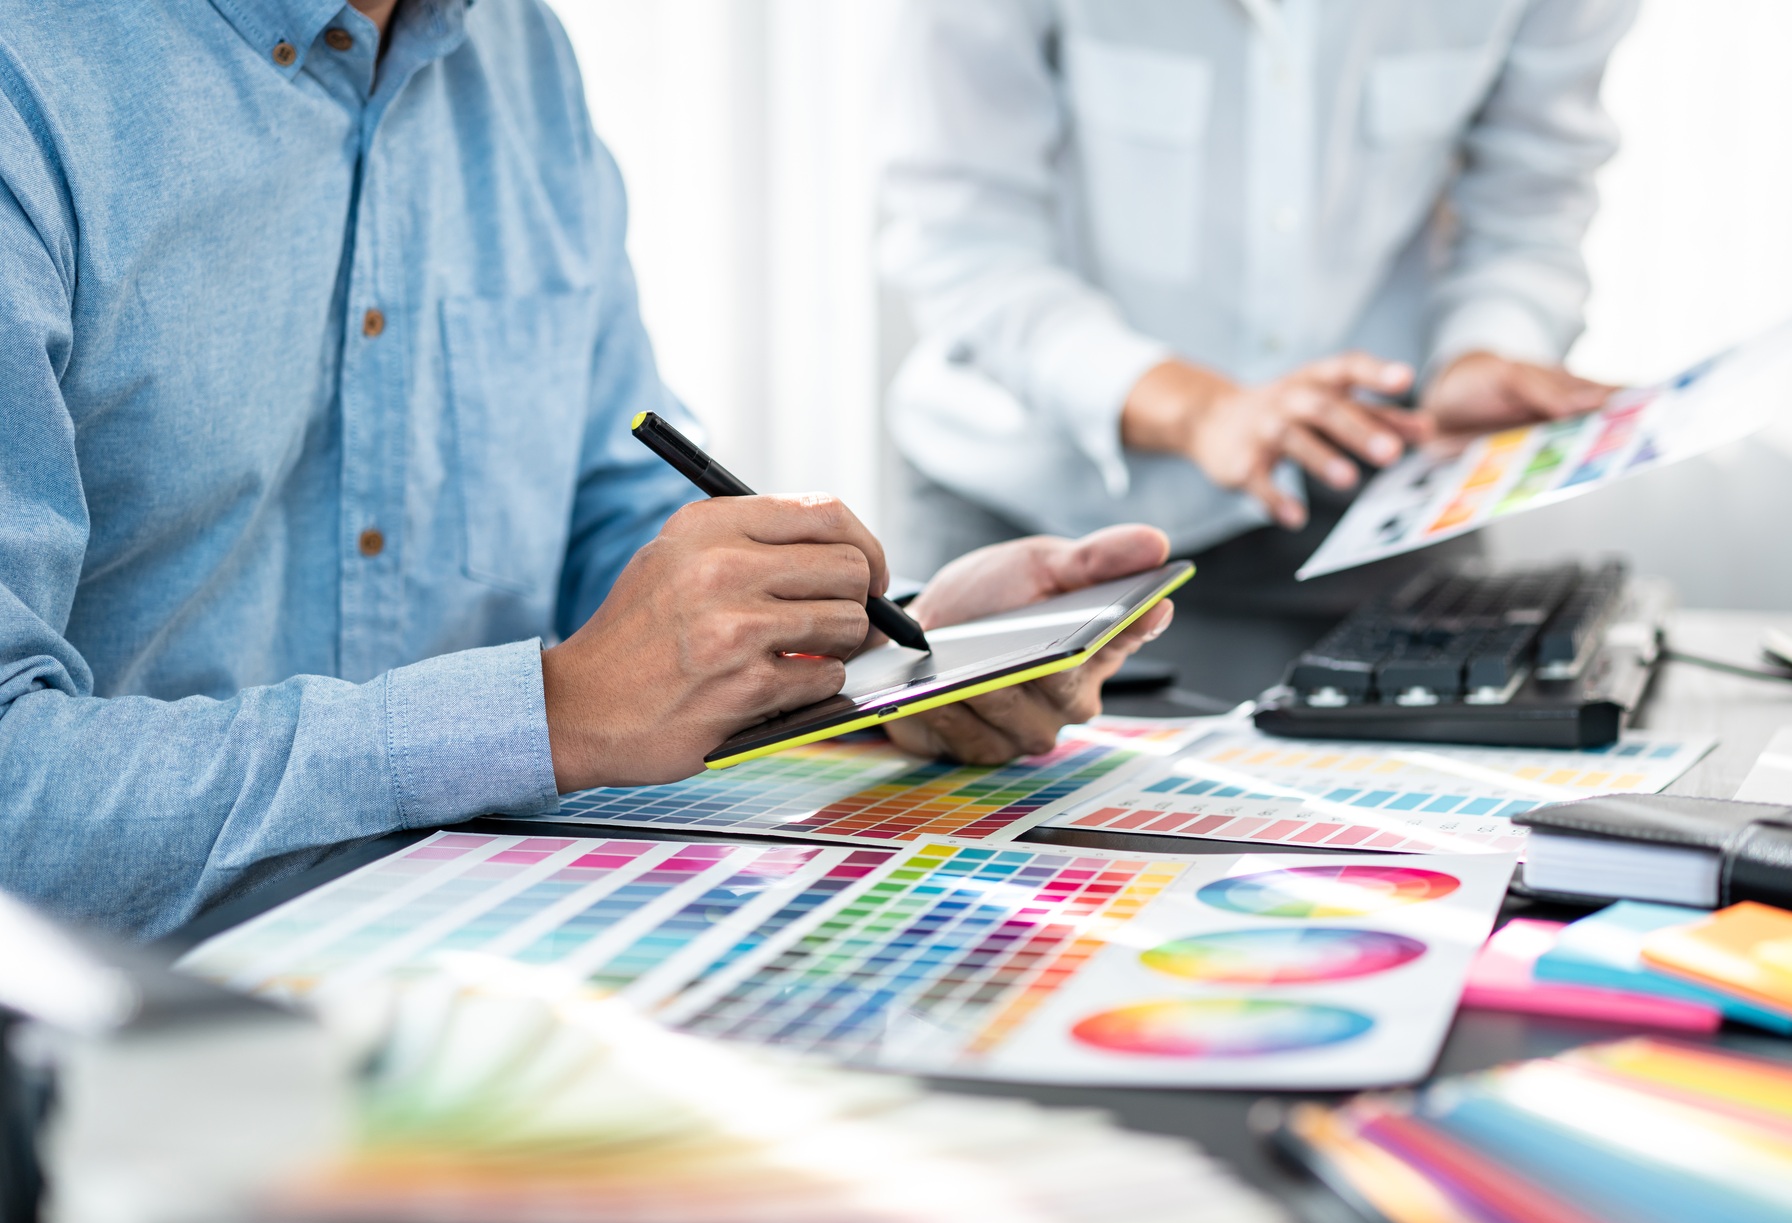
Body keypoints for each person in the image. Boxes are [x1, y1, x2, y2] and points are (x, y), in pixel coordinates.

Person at [0, 0, 1172, 940]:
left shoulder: (520, 59)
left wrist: (856, 653)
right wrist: (551, 714)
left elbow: (601, 519)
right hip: (146, 1041)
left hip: (505, 939)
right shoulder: (31, 83)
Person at [878, 0, 1636, 609]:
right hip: (1032, 508)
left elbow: (1531, 197)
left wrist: (1485, 343)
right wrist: (1199, 408)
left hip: (1371, 500)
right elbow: (965, 236)